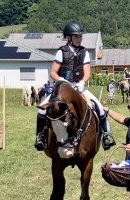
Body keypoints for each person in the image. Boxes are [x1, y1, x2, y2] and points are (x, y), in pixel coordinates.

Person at [34, 21, 116, 151]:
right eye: (76, 36)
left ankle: (106, 135)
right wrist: (62, 81)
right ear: (69, 37)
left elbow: (87, 72)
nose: (79, 39)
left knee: (99, 108)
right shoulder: (62, 52)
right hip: (62, 87)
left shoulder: (85, 52)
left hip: (79, 86)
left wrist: (82, 82)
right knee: (42, 110)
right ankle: (40, 136)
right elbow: (53, 73)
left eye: (80, 36)